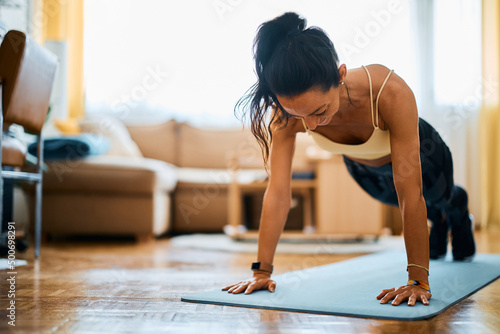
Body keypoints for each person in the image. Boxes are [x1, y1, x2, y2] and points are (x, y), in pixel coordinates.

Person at [222, 12, 476, 307]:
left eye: (318, 111)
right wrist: (261, 272)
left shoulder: (388, 92)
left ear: (340, 75)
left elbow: (410, 193)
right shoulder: (284, 114)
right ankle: (439, 220)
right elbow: (278, 191)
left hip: (425, 156)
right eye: (298, 116)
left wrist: (417, 280)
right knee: (399, 201)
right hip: (363, 167)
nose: (311, 126)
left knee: (435, 196)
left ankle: (456, 210)